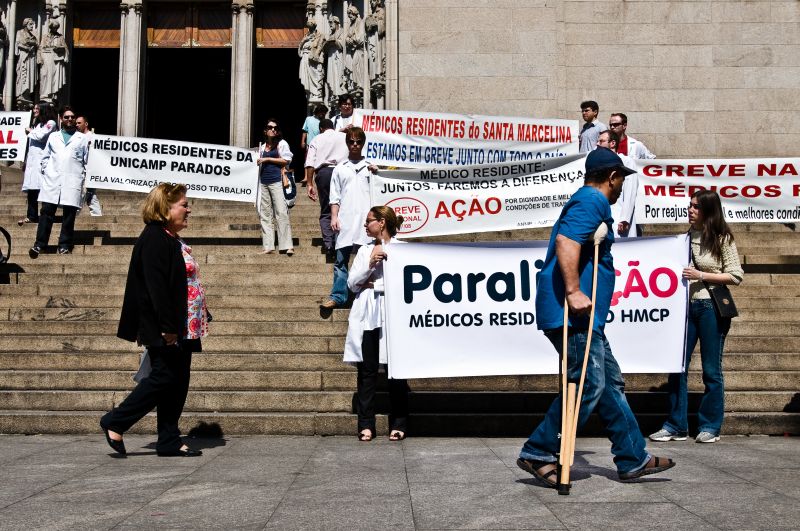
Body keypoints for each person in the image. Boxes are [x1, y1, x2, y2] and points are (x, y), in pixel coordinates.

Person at [517, 147, 675, 487]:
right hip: (572, 314)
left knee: (609, 384)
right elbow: (566, 241)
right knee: (589, 383)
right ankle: (538, 450)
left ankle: (633, 457)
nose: (620, 188)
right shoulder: (592, 201)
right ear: (612, 177)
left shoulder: (589, 201)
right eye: (620, 180)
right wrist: (573, 291)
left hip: (585, 318)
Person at [100, 183, 207, 457]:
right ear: (165, 208)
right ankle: (116, 420)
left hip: (186, 324)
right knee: (163, 378)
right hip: (167, 325)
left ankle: (169, 439)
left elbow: (180, 282)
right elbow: (156, 288)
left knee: (178, 380)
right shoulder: (155, 239)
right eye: (183, 204)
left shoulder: (169, 237)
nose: (188, 209)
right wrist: (168, 328)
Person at [649, 190, 743, 444]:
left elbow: (735, 275)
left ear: (708, 211)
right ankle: (676, 425)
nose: (690, 210)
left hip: (711, 307)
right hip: (684, 308)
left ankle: (710, 426)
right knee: (677, 365)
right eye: (689, 206)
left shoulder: (722, 238)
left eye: (695, 207)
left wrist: (701, 276)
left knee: (712, 370)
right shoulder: (685, 237)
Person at [344, 206, 409, 441]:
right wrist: (370, 263)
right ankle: (366, 423)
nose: (365, 225)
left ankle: (399, 422)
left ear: (381, 222)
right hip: (369, 312)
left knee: (397, 370)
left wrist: (381, 278)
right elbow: (352, 284)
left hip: (394, 312)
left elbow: (409, 281)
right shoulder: (364, 251)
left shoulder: (403, 250)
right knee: (367, 370)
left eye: (369, 221)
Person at [320, 127, 373, 309]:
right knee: (341, 260)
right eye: (351, 141)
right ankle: (338, 296)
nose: (355, 145)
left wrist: (378, 173)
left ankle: (362, 294)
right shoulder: (340, 168)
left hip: (367, 221)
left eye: (358, 141)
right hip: (346, 219)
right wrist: (334, 217)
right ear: (347, 143)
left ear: (363, 143)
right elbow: (334, 196)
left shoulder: (371, 166)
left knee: (366, 259)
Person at [29, 107, 89, 258]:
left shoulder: (82, 139)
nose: (70, 119)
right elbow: (45, 157)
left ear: (75, 120)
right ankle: (40, 244)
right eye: (67, 117)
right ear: (61, 119)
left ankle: (64, 245)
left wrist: (84, 178)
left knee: (69, 215)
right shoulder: (54, 136)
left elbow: (87, 161)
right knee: (46, 212)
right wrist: (47, 171)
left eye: (72, 117)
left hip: (72, 181)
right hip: (52, 180)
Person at [305, 118, 348, 256]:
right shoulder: (344, 137)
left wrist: (310, 183)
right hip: (343, 172)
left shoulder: (317, 139)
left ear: (321, 129)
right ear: (333, 127)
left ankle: (329, 244)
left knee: (326, 209)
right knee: (343, 207)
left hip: (324, 173)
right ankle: (342, 241)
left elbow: (310, 162)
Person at [256, 119, 294, 255]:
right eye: (270, 127)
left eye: (275, 128)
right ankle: (268, 246)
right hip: (263, 182)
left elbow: (286, 159)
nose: (273, 129)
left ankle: (287, 245)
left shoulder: (281, 144)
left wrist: (268, 159)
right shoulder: (261, 147)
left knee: (281, 212)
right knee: (265, 214)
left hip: (277, 181)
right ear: (265, 130)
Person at [19, 102, 58, 226]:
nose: (35, 110)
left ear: (43, 110)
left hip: (42, 161)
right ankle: (31, 215)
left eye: (37, 108)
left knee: (42, 188)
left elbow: (41, 136)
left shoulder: (51, 124)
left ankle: (45, 214)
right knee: (32, 189)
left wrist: (30, 131)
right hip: (32, 162)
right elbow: (31, 145)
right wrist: (26, 161)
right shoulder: (38, 125)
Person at [596, 130, 639, 238]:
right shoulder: (598, 163)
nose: (597, 144)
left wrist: (625, 218)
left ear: (613, 143)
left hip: (620, 217)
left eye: (601, 141)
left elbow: (631, 191)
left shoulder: (626, 161)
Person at [76, 114, 101, 216]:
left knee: (86, 193)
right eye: (76, 123)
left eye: (79, 123)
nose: (76, 125)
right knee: (86, 194)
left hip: (89, 171)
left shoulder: (92, 136)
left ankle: (75, 215)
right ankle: (96, 214)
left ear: (86, 124)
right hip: (79, 170)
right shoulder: (77, 137)